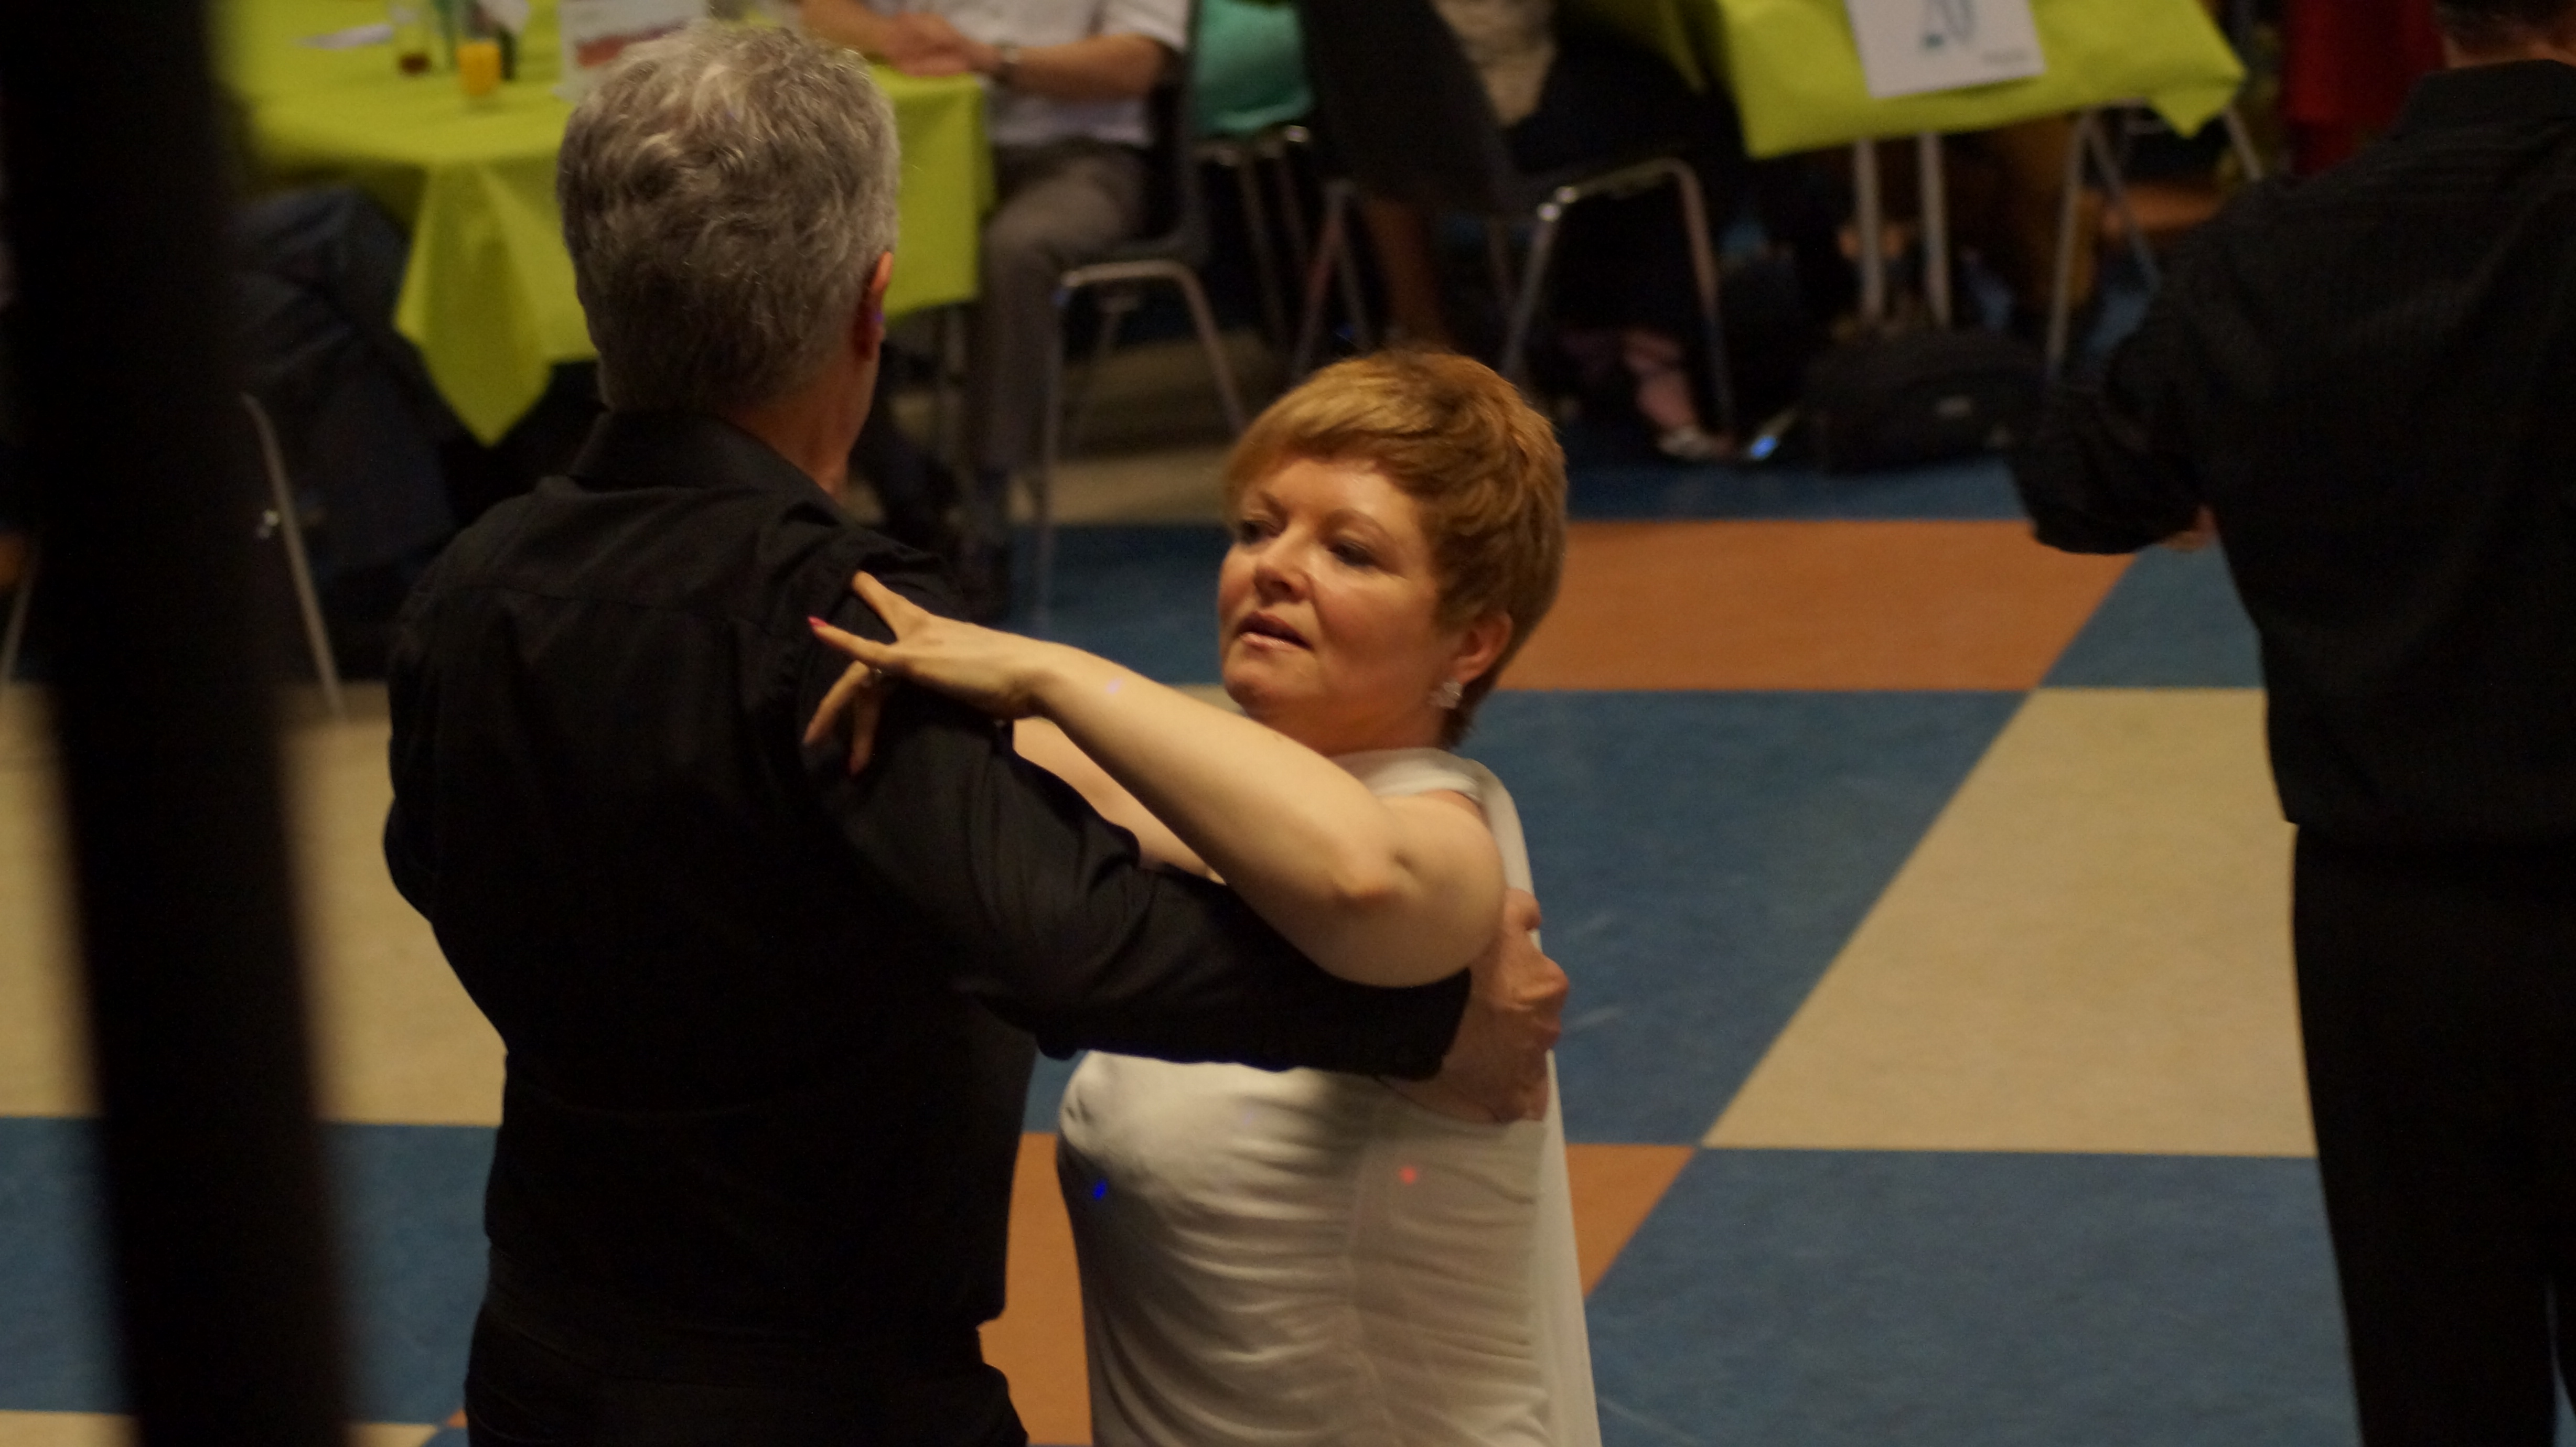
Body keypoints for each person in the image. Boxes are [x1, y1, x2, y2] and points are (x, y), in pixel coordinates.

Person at [384, 27, 1564, 1446]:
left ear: (590, 288)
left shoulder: (470, 585)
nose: (1276, 568)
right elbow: (1066, 938)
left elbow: (428, 864)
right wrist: (1416, 1023)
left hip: (543, 1347)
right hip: (818, 1391)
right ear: (871, 304)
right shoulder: (844, 621)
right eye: (1256, 527)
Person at [810, 349, 1598, 1444]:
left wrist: (1048, 672)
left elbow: (1359, 877)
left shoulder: (1450, 843)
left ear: (1470, 639)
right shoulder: (1203, 809)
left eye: (1349, 550)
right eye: (1255, 529)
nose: (1275, 568)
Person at [2011, 3, 2576, 1440]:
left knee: (2439, 1381)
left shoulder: (2275, 246)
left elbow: (2079, 478)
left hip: (2386, 916)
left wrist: (2239, 447)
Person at [802, 0, 1188, 620]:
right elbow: (819, 10)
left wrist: (991, 60)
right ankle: (903, 484)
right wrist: (892, 37)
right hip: (927, 146)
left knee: (1013, 253)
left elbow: (1136, 64)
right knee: (822, 243)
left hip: (1080, 156)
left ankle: (985, 518)